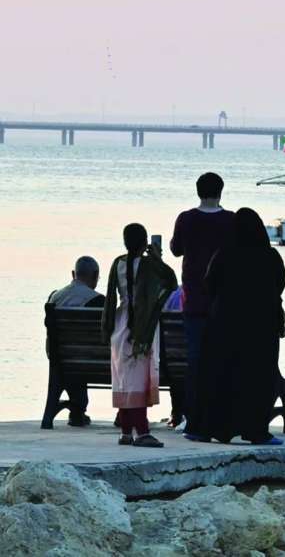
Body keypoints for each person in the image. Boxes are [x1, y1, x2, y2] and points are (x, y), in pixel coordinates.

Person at [184, 208, 285, 445]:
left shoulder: (224, 254)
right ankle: (256, 430)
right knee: (257, 378)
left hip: (224, 324)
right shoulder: (270, 257)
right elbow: (279, 284)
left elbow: (209, 284)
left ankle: (210, 428)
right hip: (261, 327)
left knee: (218, 375)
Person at [102, 223, 177, 447]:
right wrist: (157, 259)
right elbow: (170, 283)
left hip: (120, 325)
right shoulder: (148, 265)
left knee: (125, 380)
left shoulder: (118, 263)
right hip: (141, 329)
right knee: (137, 380)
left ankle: (126, 431)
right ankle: (142, 432)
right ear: (145, 243)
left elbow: (111, 295)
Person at [169, 173, 235, 428]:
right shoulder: (230, 220)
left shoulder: (186, 219)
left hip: (193, 300)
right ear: (221, 192)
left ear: (198, 192)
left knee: (195, 359)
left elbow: (176, 250)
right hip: (223, 301)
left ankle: (192, 415)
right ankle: (219, 412)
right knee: (221, 358)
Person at [47, 256, 105, 426]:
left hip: (60, 359)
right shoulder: (98, 300)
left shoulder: (54, 297)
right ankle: (122, 413)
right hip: (95, 362)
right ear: (95, 275)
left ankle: (77, 408)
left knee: (74, 362)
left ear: (73, 274)